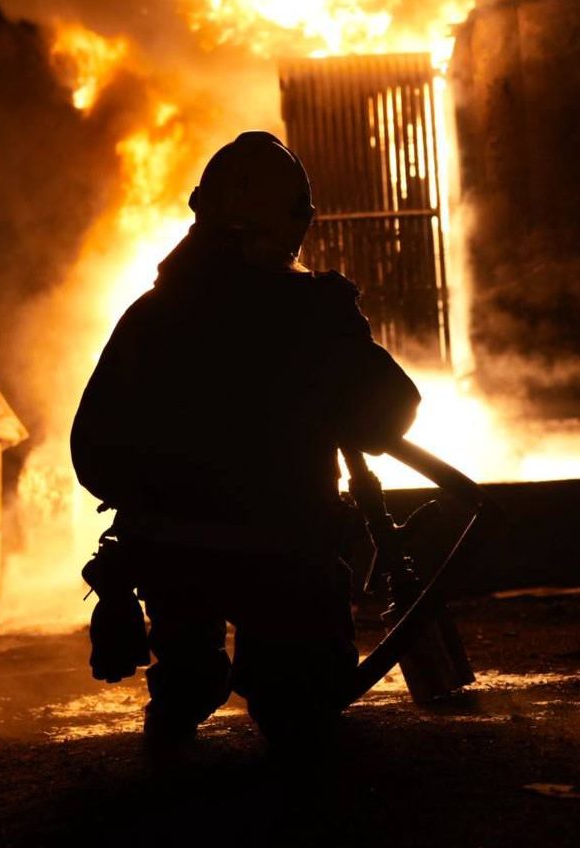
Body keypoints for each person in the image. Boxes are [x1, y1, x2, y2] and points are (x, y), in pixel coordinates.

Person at [70, 131, 420, 747]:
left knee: (186, 670)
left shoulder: (151, 316)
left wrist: (163, 496)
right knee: (299, 704)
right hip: (283, 559)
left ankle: (182, 687)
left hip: (170, 559)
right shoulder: (314, 313)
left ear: (200, 209)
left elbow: (93, 451)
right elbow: (389, 417)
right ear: (299, 220)